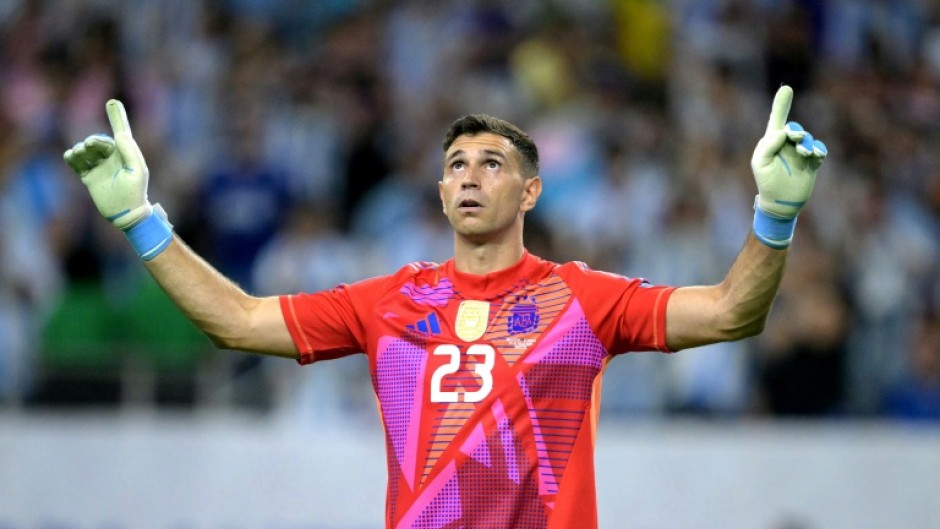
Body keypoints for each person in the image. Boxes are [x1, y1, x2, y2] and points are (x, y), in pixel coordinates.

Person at [63, 85, 827, 529]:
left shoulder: (581, 298)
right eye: (455, 164)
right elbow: (236, 321)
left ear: (530, 191)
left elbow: (733, 312)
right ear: (437, 192)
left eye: (492, 164)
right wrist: (142, 221)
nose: (468, 176)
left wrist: (775, 214)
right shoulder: (389, 300)